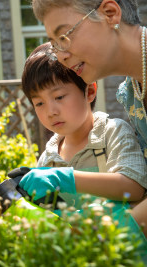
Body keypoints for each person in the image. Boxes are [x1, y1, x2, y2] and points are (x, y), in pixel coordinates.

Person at [20, 0, 147, 236]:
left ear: (110, 14)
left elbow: (135, 187)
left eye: (64, 36)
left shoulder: (112, 130)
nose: (59, 56)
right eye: (54, 43)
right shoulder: (131, 91)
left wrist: (109, 242)